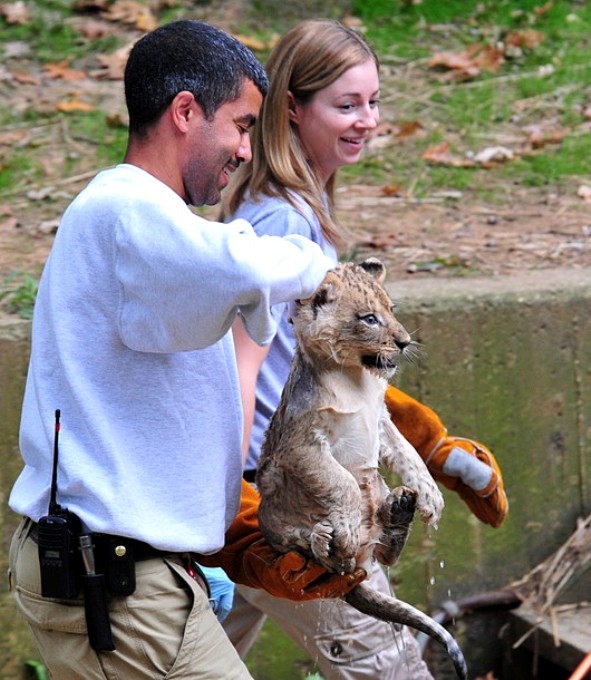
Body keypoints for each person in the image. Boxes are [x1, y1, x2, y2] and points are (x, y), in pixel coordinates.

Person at [7, 20, 366, 680]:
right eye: (239, 125)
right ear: (183, 112)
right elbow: (246, 266)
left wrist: (209, 542)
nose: (244, 150)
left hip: (132, 572)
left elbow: (186, 378)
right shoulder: (123, 208)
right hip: (116, 580)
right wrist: (322, 267)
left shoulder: (151, 233)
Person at [222, 19, 509, 680]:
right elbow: (232, 360)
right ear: (292, 108)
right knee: (388, 663)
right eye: (345, 105)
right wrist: (225, 498)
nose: (366, 120)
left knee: (194, 656)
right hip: (286, 496)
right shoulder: (281, 222)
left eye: (372, 102)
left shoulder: (298, 205)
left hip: (265, 489)